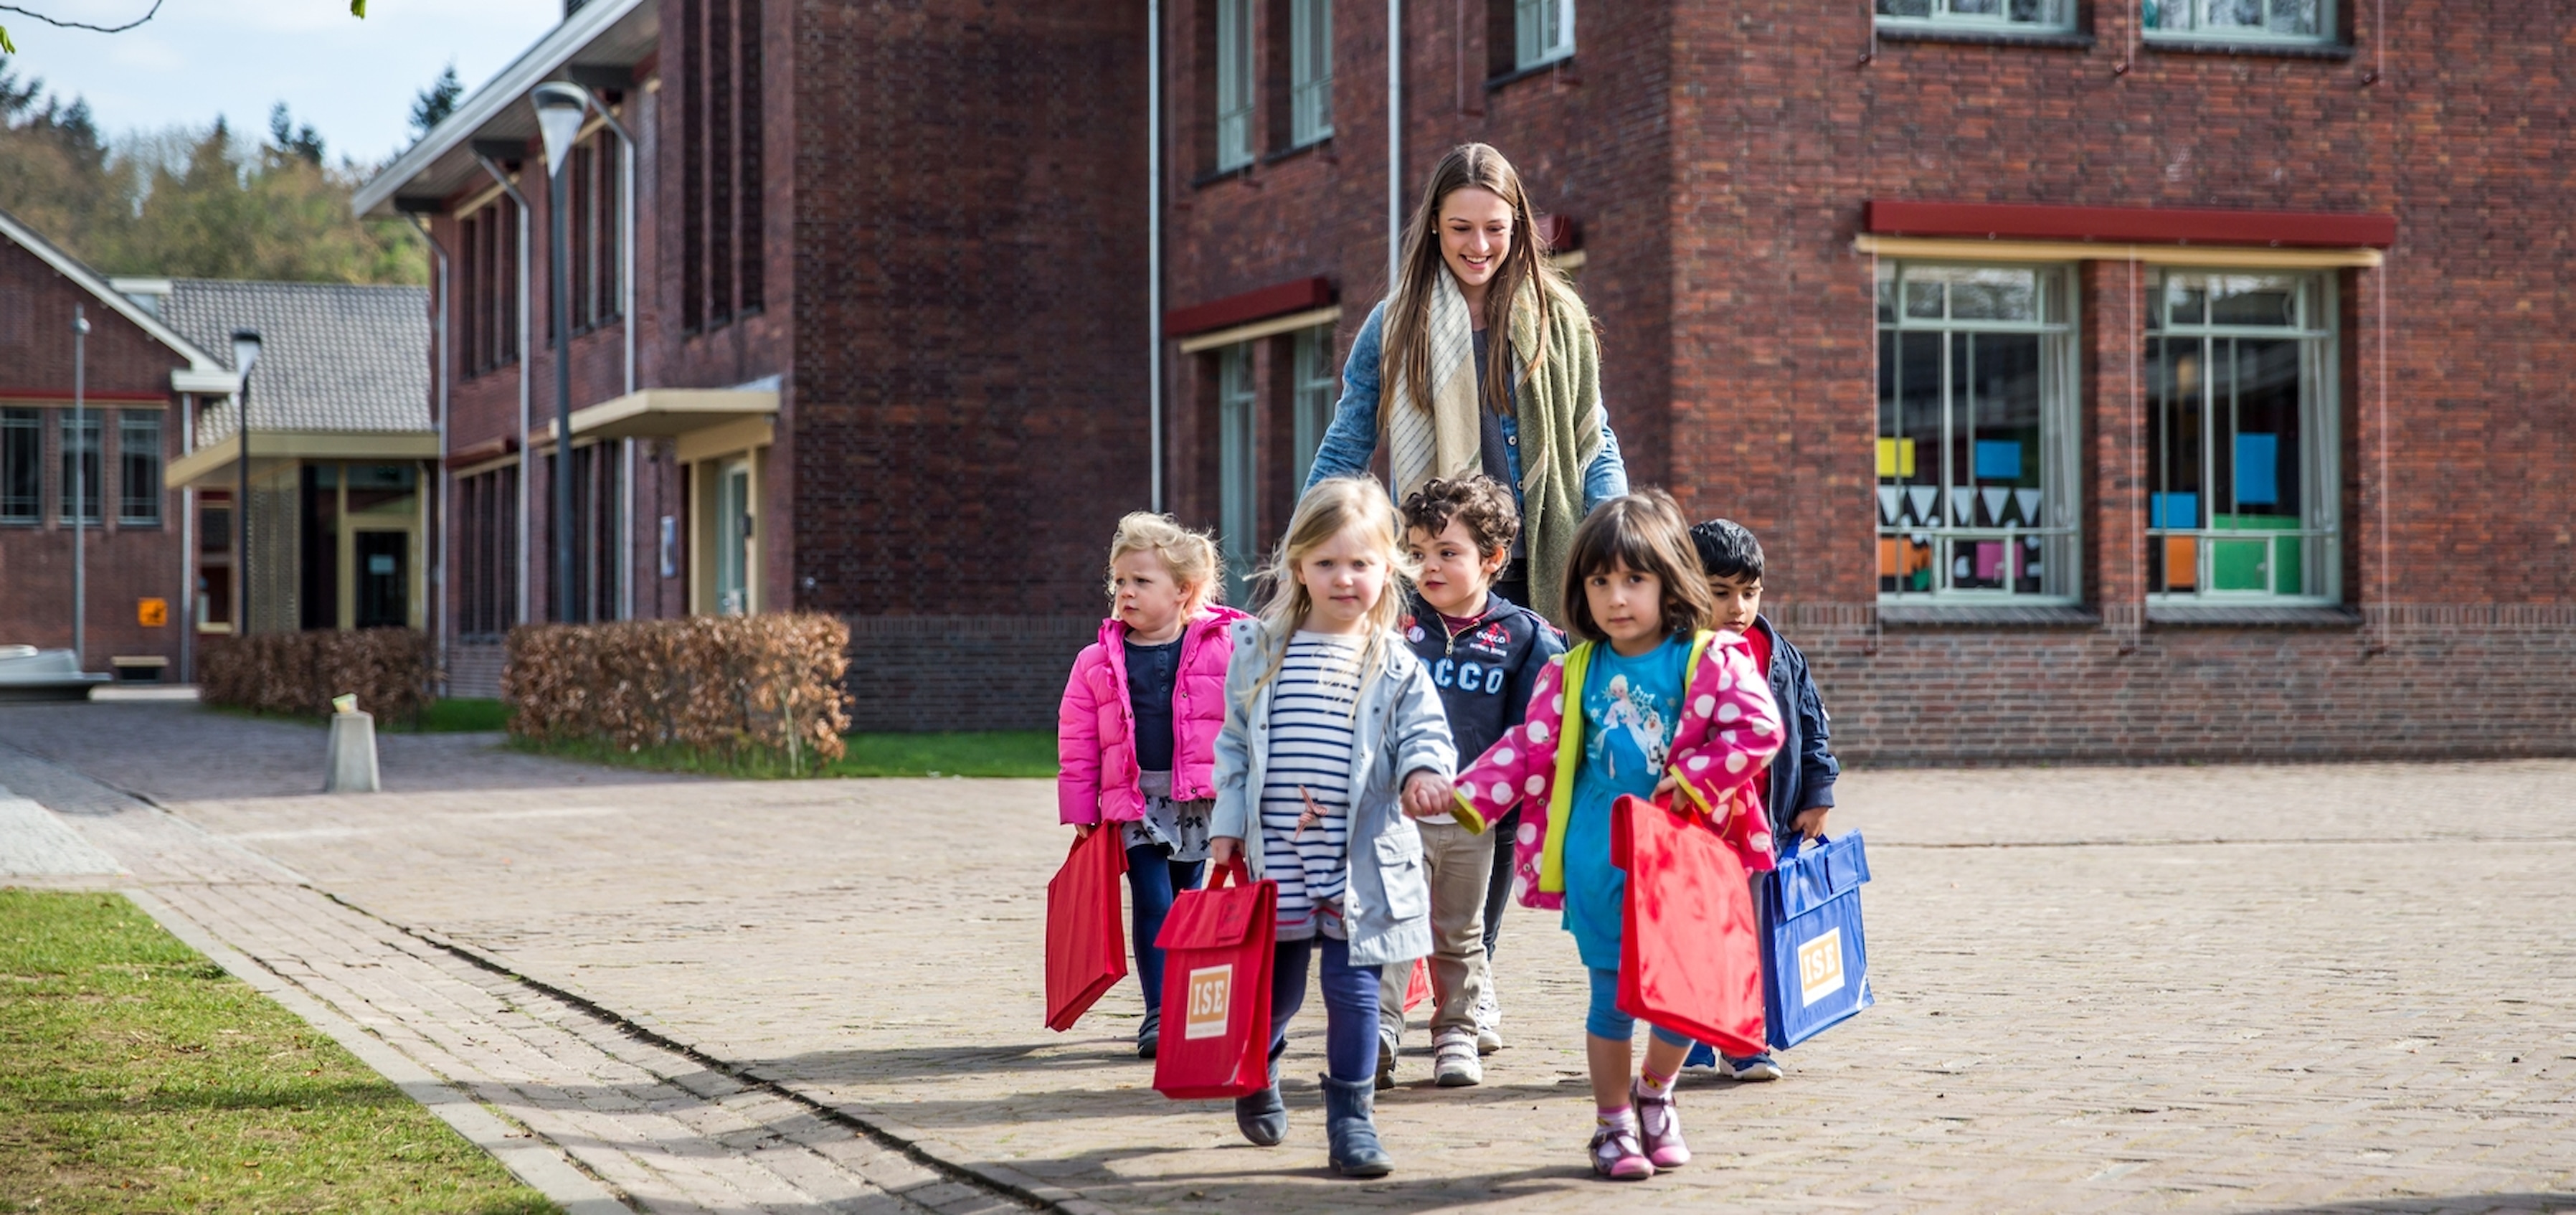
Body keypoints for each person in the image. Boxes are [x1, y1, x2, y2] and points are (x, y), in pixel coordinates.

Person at [1448, 491, 1784, 1181]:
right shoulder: (1571, 671)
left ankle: (1656, 1092)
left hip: (1685, 859)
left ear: (1671, 581)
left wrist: (1692, 777)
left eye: (1634, 579)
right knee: (1612, 998)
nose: (1616, 597)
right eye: (1599, 581)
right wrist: (1462, 798)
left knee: (1682, 998)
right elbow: (1528, 749)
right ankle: (1611, 1126)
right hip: (1601, 860)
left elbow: (1761, 730)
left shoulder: (1713, 658)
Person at [1208, 477, 1461, 1178]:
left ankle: (1352, 1119)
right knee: (1280, 991)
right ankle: (1257, 1067)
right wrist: (1226, 825)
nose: (1343, 577)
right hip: (1279, 861)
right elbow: (1234, 745)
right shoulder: (1261, 649)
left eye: (1359, 563)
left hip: (1361, 862)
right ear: (1298, 566)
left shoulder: (1396, 662)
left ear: (1388, 568)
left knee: (1355, 992)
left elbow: (1426, 737)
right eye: (1326, 562)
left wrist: (1421, 775)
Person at [1302, 142, 1626, 623]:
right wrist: (1304, 546)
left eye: (1495, 228)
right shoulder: (1394, 323)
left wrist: (1620, 539)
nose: (1479, 246)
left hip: (1547, 570)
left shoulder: (1561, 319)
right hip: (1435, 576)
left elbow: (1593, 443)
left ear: (1516, 226)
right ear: (1434, 223)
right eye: (1461, 228)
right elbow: (1347, 446)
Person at [1377, 474, 1563, 1087]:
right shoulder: (1393, 623)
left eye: (1447, 553)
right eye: (1418, 553)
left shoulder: (1525, 637)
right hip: (1396, 812)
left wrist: (1506, 806)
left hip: (1476, 819)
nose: (1428, 567)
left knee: (1464, 928)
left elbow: (1534, 731)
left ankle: (1457, 1026)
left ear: (1492, 559)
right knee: (1391, 922)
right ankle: (1376, 1030)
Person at [1056, 513, 1249, 1059]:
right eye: (1120, 581)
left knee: (1191, 899)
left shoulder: (1227, 645)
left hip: (1203, 801)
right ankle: (1160, 1011)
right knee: (1152, 899)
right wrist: (1080, 804)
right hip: (1137, 803)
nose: (1126, 593)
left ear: (1183, 590)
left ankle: (1194, 1007)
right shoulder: (1096, 661)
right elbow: (1077, 741)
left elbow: (1252, 716)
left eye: (1142, 581)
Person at [1683, 518, 1843, 1083]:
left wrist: (1817, 794)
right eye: (1720, 592)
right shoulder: (1673, 655)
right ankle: (1688, 1042)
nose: (1737, 607)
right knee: (1689, 937)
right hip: (1690, 829)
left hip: (1758, 828)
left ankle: (1743, 1044)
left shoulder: (1778, 655)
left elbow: (1812, 727)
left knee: (1745, 937)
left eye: (1748, 593)